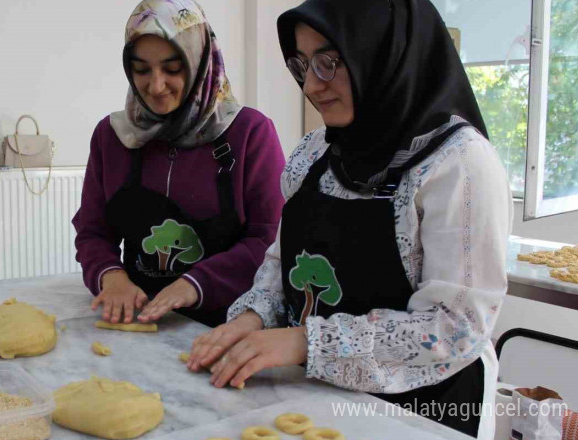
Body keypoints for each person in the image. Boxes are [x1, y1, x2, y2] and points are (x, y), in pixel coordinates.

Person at [186, 0, 512, 438]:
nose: (312, 85)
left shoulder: (459, 165)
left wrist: (306, 342)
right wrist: (254, 317)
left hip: (422, 413)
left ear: (382, 53)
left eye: (331, 62)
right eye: (303, 64)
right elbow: (280, 265)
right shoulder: (314, 153)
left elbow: (453, 329)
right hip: (318, 397)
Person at [73, 0, 286, 327]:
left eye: (173, 69)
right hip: (138, 322)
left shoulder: (249, 133)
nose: (156, 87)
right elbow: (92, 231)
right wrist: (110, 275)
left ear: (201, 61)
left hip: (228, 325)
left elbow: (270, 239)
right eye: (142, 70)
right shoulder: (112, 136)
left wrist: (195, 284)